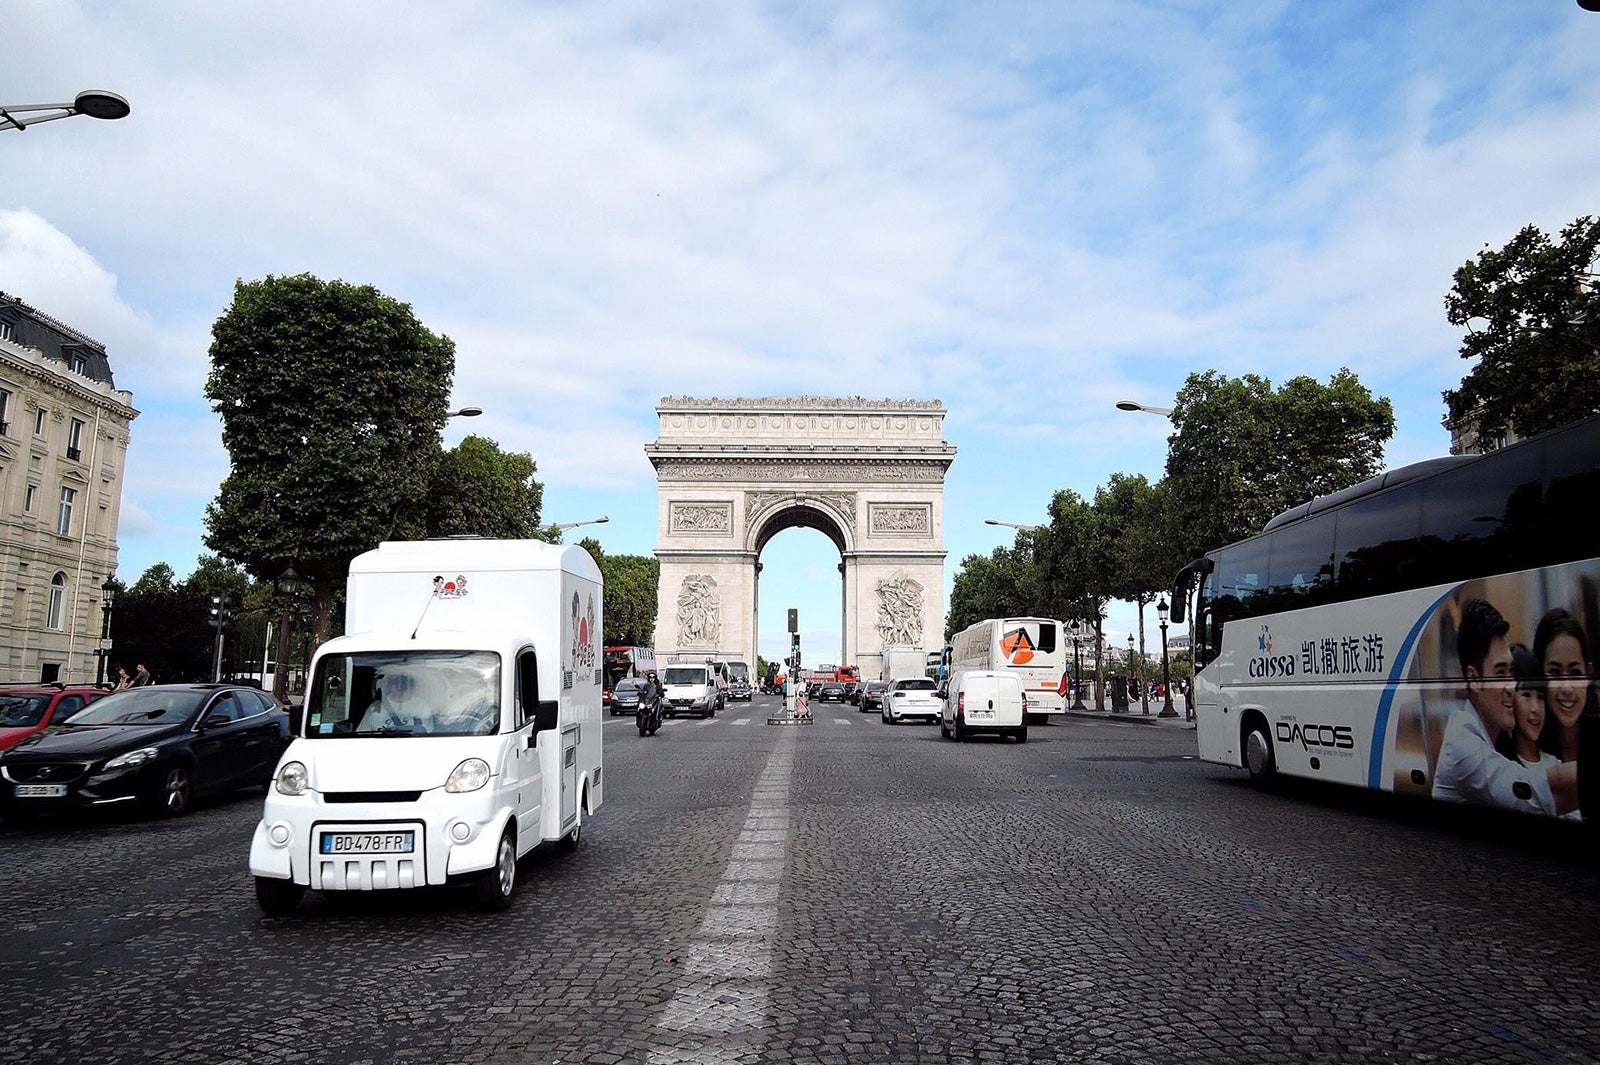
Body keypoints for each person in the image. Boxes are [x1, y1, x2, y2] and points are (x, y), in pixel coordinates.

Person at [1433, 599, 1577, 815]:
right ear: (1474, 679)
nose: (1511, 687)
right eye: (1500, 673)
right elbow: (1536, 794)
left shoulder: (1488, 739)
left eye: (1511, 672)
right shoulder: (1462, 746)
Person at [1533, 607, 1591, 763]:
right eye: (1555, 673)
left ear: (1589, 673)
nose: (1566, 688)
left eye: (1575, 673)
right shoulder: (1529, 744)